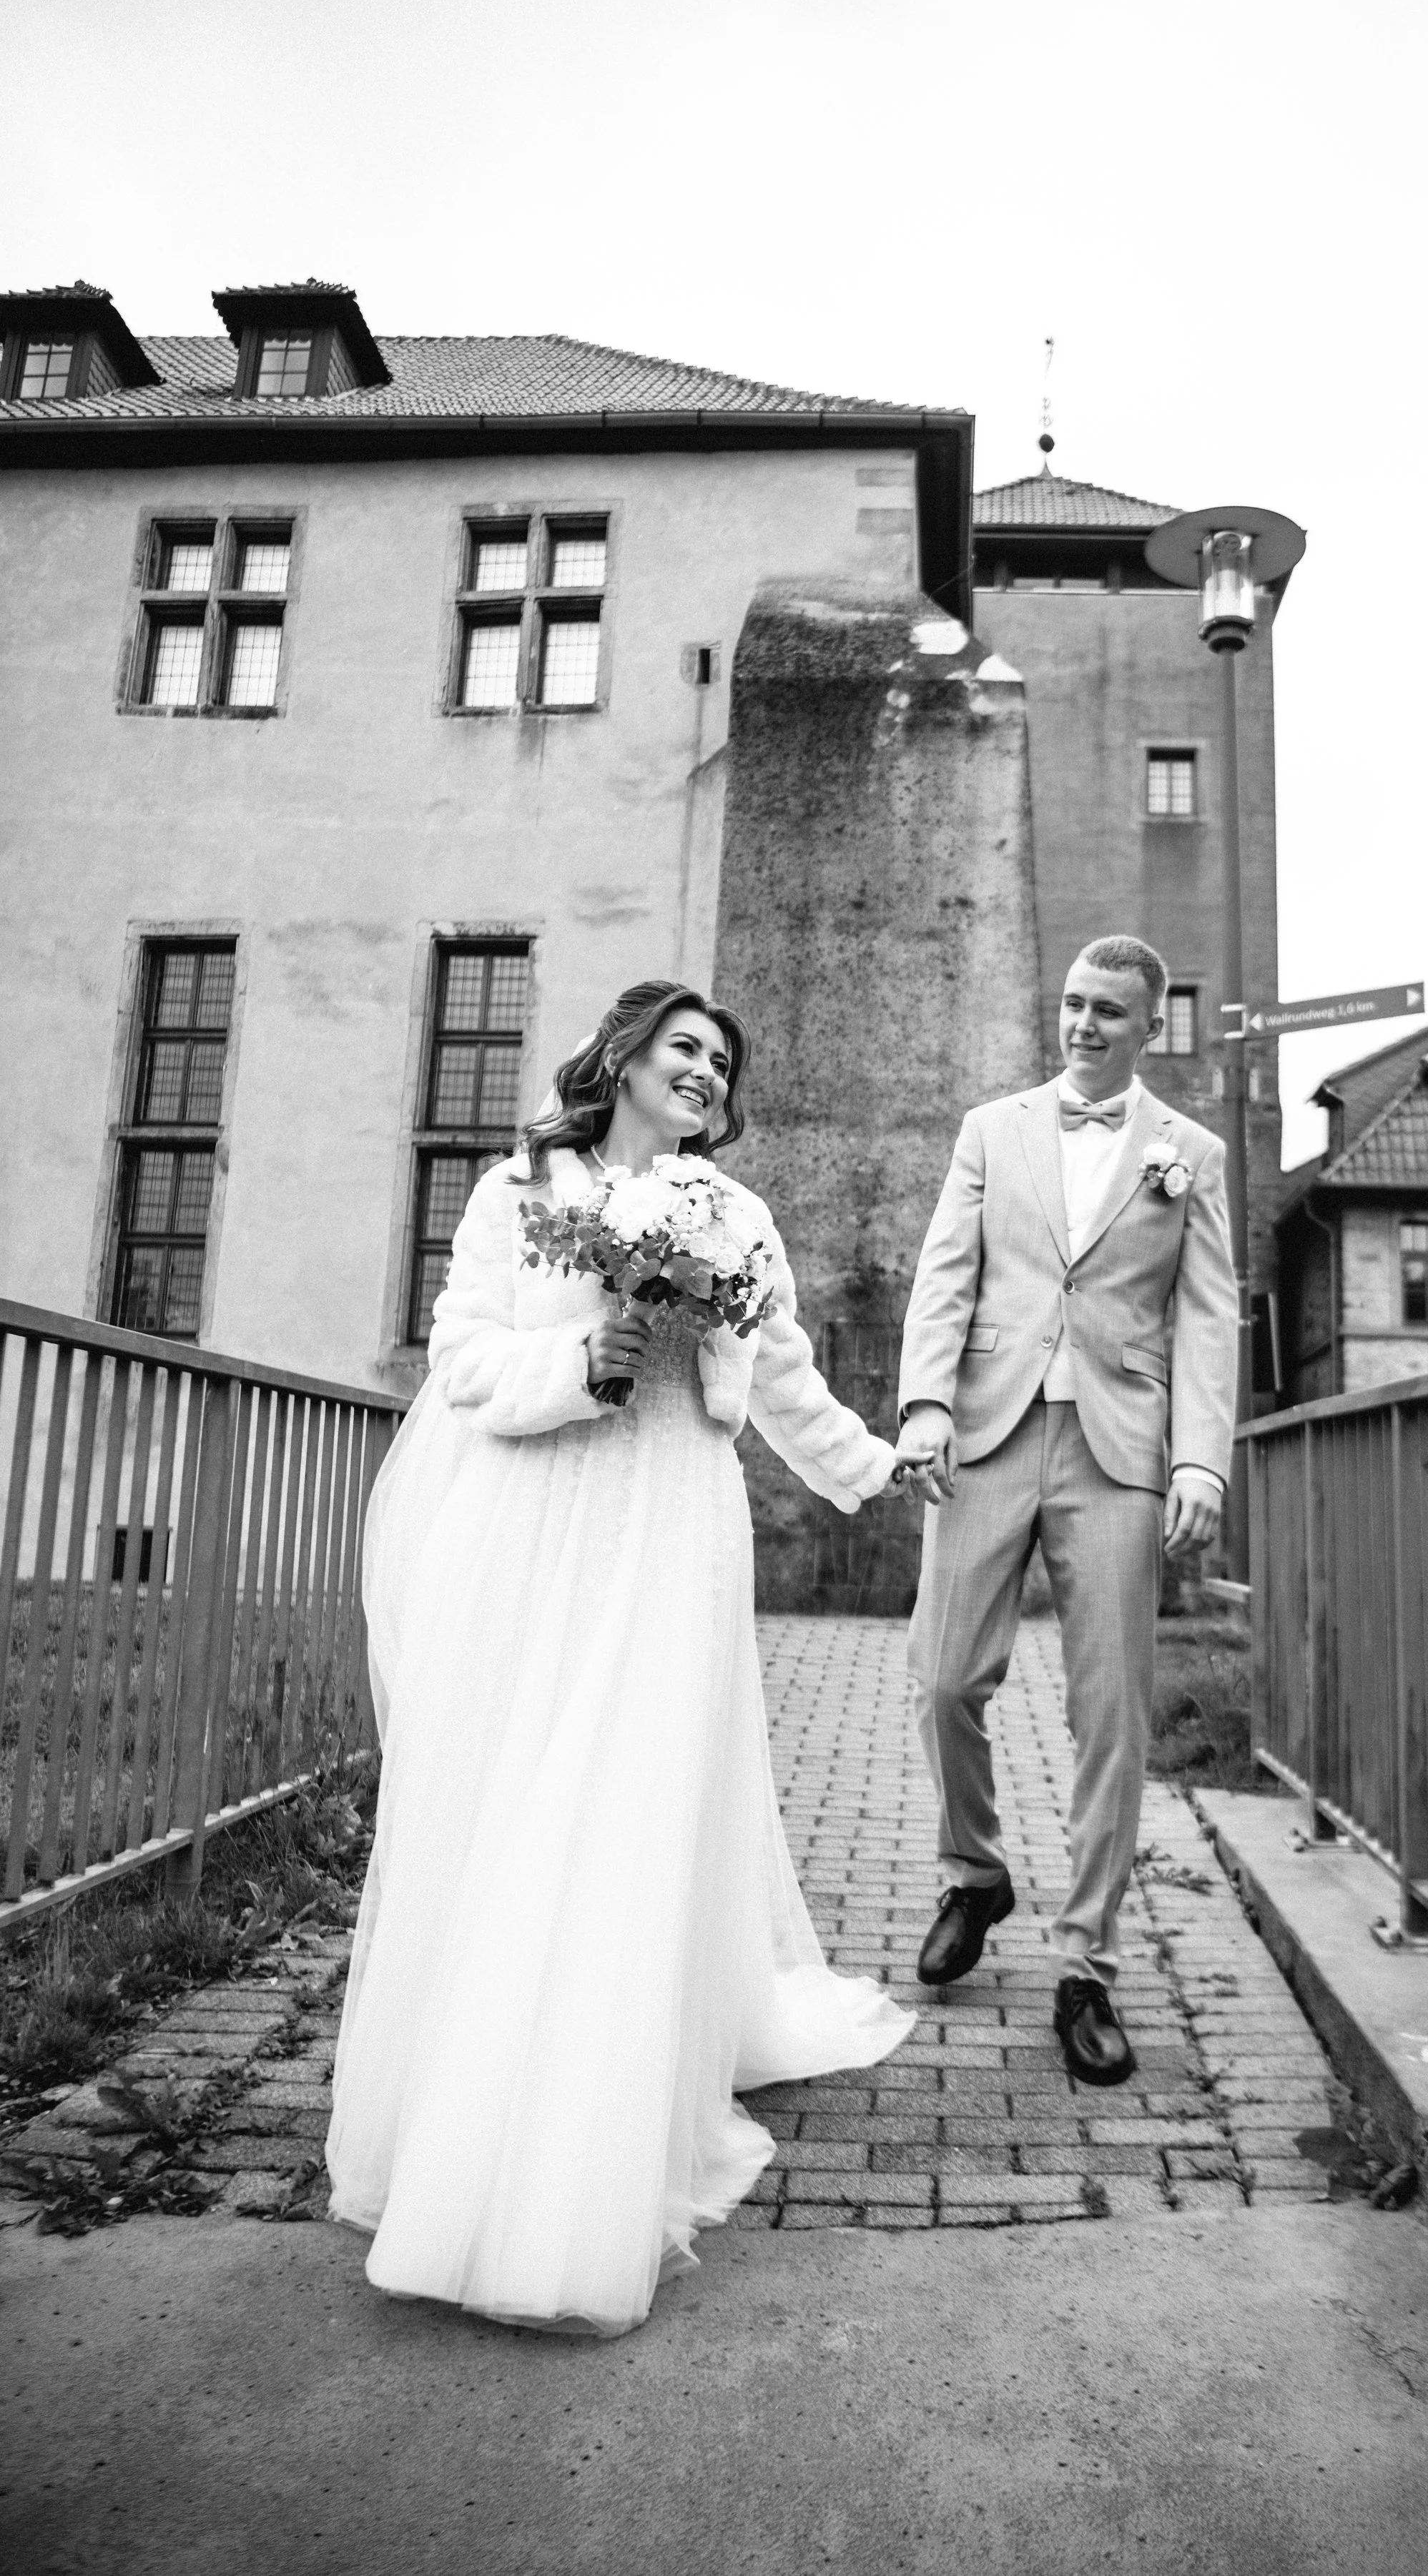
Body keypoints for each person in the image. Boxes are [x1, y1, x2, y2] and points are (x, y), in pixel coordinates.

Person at [326, 980, 912, 2334]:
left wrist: (876, 1467)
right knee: (523, 1801)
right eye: (685, 1048)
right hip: (540, 1522)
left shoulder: (739, 1218)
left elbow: (783, 1378)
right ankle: (476, 2117)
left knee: (634, 1807)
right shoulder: (518, 1189)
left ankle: (599, 2124)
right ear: (627, 1057)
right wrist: (583, 1356)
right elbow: (463, 1356)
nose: (706, 1071)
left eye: (723, 1059)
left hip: (672, 1532)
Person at [892, 936, 1236, 2086]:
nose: (1084, 1024)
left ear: (1152, 1023)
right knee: (944, 1675)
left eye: (1110, 1012)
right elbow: (948, 1272)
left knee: (1113, 1715)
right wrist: (925, 1403)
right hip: (985, 1431)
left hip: (1121, 1452)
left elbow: (1206, 1317)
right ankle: (975, 1872)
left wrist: (1202, 1460)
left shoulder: (1193, 1153)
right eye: (1075, 1005)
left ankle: (1086, 1962)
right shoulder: (993, 1129)